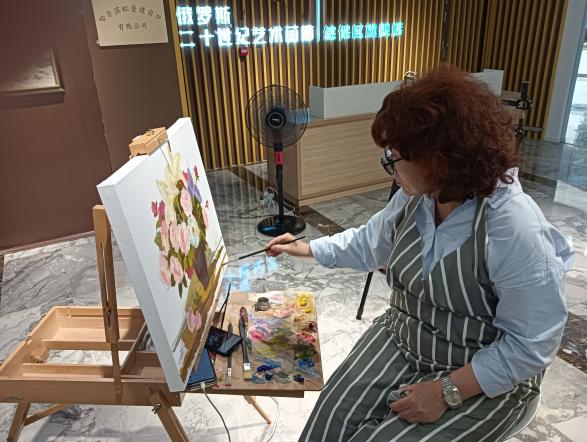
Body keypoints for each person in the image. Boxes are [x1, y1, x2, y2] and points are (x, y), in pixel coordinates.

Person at [266, 67, 575, 441]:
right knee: (327, 425)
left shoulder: (513, 227)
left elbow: (532, 345)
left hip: (482, 369)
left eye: (395, 156)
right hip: (404, 337)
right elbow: (368, 242)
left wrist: (447, 390)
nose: (390, 167)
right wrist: (306, 248)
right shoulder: (416, 200)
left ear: (437, 159)